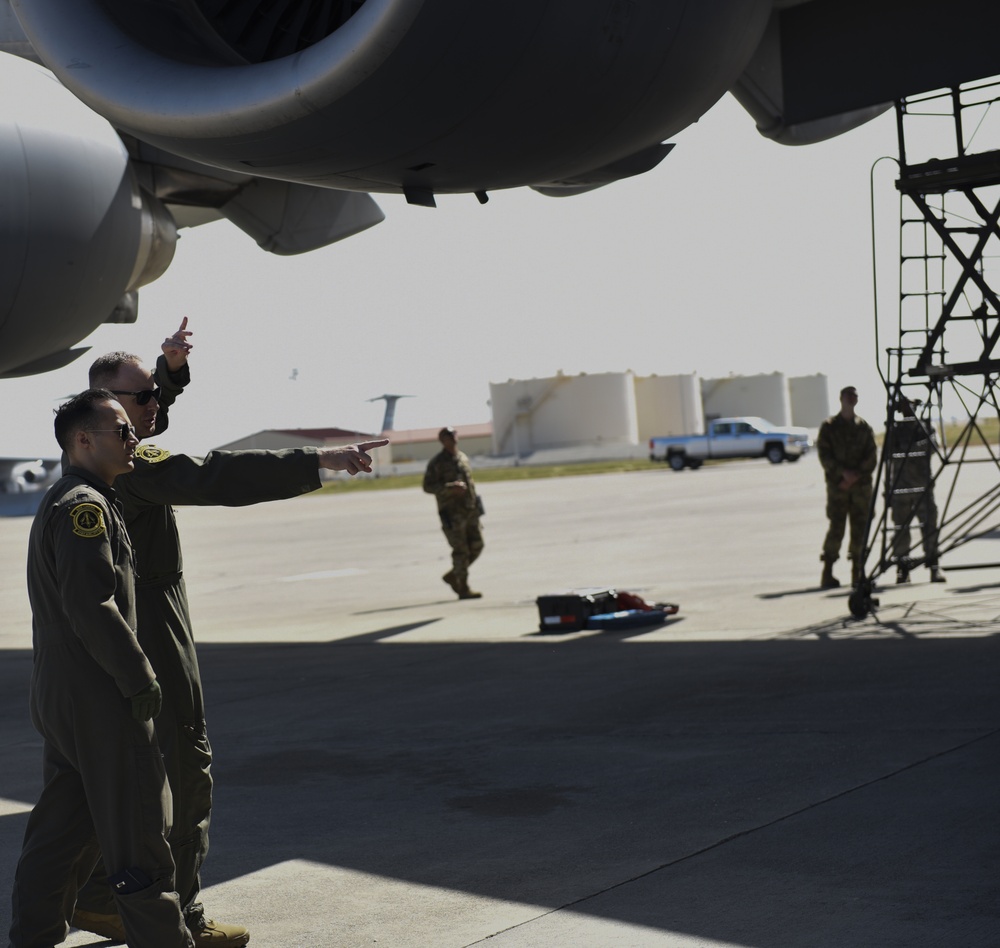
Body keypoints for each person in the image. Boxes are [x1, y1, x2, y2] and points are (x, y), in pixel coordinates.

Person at [71, 331, 387, 948]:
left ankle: (101, 898)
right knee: (186, 772)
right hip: (154, 634)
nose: (155, 404)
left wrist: (169, 371)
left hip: (126, 637)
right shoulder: (137, 467)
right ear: (109, 405)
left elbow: (150, 411)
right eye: (143, 397)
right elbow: (216, 475)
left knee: (120, 782)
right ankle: (179, 916)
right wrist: (320, 459)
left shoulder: (94, 453)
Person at [9, 390, 195, 948]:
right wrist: (139, 678)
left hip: (67, 697)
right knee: (140, 829)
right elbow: (92, 605)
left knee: (64, 830)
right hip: (102, 697)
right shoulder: (84, 507)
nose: (132, 436)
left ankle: (32, 936)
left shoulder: (72, 499)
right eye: (120, 428)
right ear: (83, 440)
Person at [817, 386, 877, 589]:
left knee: (860, 529)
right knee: (837, 528)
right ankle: (828, 572)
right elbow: (824, 456)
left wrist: (855, 475)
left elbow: (872, 456)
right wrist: (843, 474)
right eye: (848, 396)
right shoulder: (829, 426)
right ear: (841, 398)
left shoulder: (864, 427)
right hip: (838, 488)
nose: (851, 399)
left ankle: (857, 572)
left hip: (860, 488)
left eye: (855, 396)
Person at [888, 398, 945, 584]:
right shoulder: (895, 429)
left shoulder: (924, 427)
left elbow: (932, 446)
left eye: (912, 405)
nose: (909, 409)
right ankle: (903, 568)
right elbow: (890, 453)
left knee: (930, 527)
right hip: (901, 489)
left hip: (922, 487)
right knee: (900, 531)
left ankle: (934, 565)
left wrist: (908, 449)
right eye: (905, 406)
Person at [423, 426, 484, 599]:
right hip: (452, 514)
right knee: (461, 551)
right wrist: (450, 489)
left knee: (478, 546)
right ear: (442, 440)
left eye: (454, 434)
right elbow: (427, 486)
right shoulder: (437, 462)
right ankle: (463, 588)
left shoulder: (462, 457)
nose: (453, 438)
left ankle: (453, 575)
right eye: (448, 436)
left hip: (470, 510)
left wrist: (476, 508)